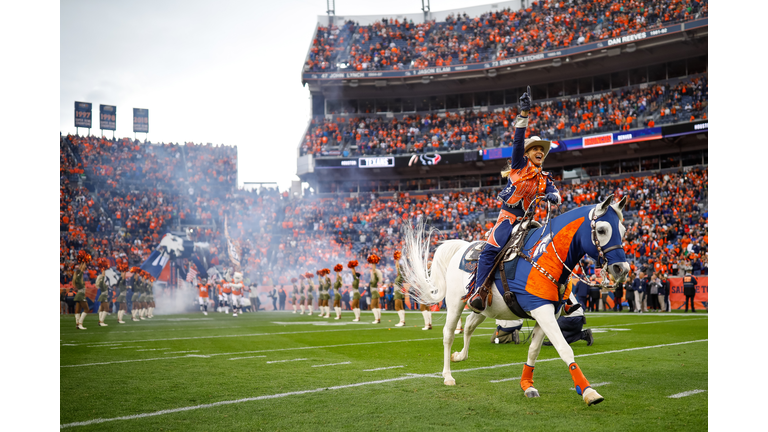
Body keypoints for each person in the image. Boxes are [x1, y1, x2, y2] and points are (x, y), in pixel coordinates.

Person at [468, 86, 561, 312]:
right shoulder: (519, 165)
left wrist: (553, 196)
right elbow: (518, 140)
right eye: (535, 149)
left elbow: (557, 194)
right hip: (508, 220)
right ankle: (480, 290)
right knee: (490, 249)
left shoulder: (545, 177)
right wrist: (524, 114)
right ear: (527, 153)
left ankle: (562, 298)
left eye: (542, 149)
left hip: (529, 222)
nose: (540, 151)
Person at [72, 262, 89, 330]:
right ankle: (80, 324)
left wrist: (82, 262)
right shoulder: (78, 278)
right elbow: (82, 270)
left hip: (79, 295)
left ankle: (77, 324)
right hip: (81, 295)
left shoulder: (77, 279)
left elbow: (81, 270)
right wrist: (84, 262)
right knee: (86, 309)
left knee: (78, 310)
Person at [393, 252, 406, 327]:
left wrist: (397, 260)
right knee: (400, 307)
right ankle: (402, 321)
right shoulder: (401, 276)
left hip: (397, 291)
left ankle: (402, 321)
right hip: (399, 291)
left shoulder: (400, 276)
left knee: (397, 307)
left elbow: (397, 267)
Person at [95, 261, 110, 326]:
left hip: (103, 296)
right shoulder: (101, 281)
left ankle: (100, 321)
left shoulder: (102, 282)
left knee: (102, 309)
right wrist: (103, 268)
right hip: (103, 296)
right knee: (106, 309)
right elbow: (103, 275)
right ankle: (101, 321)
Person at [368, 257, 382, 324]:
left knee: (372, 306)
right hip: (375, 292)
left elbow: (374, 270)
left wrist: (373, 263)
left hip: (374, 292)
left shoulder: (375, 277)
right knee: (376, 306)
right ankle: (378, 319)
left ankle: (376, 319)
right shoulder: (374, 278)